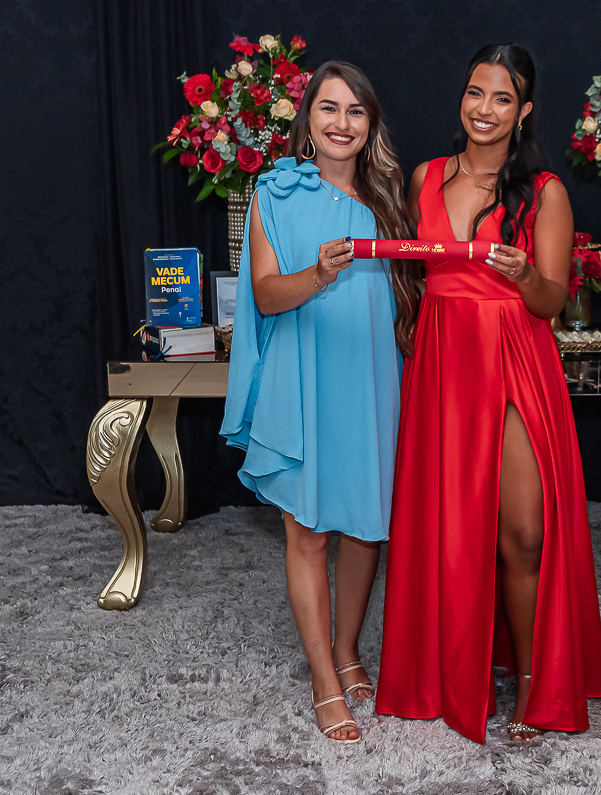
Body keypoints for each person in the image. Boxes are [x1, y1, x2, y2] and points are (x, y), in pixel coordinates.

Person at [375, 43, 601, 744]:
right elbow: (409, 273)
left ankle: (534, 678)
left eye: (502, 98)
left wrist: (520, 274)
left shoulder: (545, 192)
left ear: (523, 110)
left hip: (513, 356)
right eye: (476, 93)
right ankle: (454, 670)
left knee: (524, 532)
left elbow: (551, 300)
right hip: (444, 363)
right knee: (449, 530)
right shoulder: (425, 177)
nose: (484, 109)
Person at [220, 61, 411, 745]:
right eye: (328, 108)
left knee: (365, 524)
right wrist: (319, 273)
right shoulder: (274, 192)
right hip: (303, 372)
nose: (341, 122)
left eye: (356, 111)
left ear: (370, 125)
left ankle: (349, 648)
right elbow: (265, 295)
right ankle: (324, 677)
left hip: (371, 373)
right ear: (308, 118)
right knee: (308, 531)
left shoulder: (390, 195)